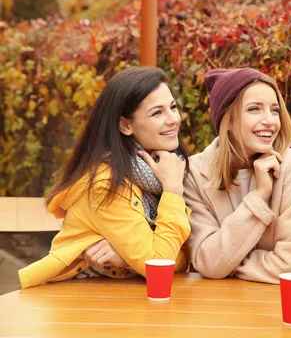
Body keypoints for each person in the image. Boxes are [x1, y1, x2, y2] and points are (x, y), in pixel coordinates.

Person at [19, 67, 191, 288]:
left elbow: (188, 256)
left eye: (173, 107)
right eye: (157, 113)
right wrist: (173, 192)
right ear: (125, 125)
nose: (173, 119)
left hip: (123, 299)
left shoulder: (165, 170)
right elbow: (160, 265)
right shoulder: (106, 184)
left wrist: (127, 259)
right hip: (74, 302)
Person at [184, 68, 291, 284]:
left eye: (275, 110)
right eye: (254, 109)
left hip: (275, 305)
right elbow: (207, 261)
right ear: (228, 119)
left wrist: (227, 262)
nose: (270, 121)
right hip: (217, 305)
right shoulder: (195, 172)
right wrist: (260, 195)